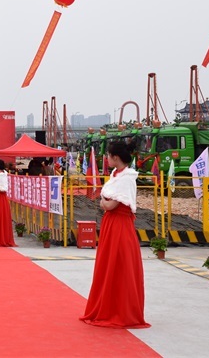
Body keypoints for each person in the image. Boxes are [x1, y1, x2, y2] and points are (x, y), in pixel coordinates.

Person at [80, 141, 150, 329]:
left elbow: (110, 205)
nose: (107, 158)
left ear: (116, 157)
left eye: (109, 155)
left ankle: (121, 311)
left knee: (120, 265)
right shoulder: (115, 174)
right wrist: (105, 201)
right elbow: (107, 203)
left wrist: (104, 200)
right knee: (109, 264)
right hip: (111, 223)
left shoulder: (127, 177)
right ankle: (110, 307)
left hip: (120, 224)